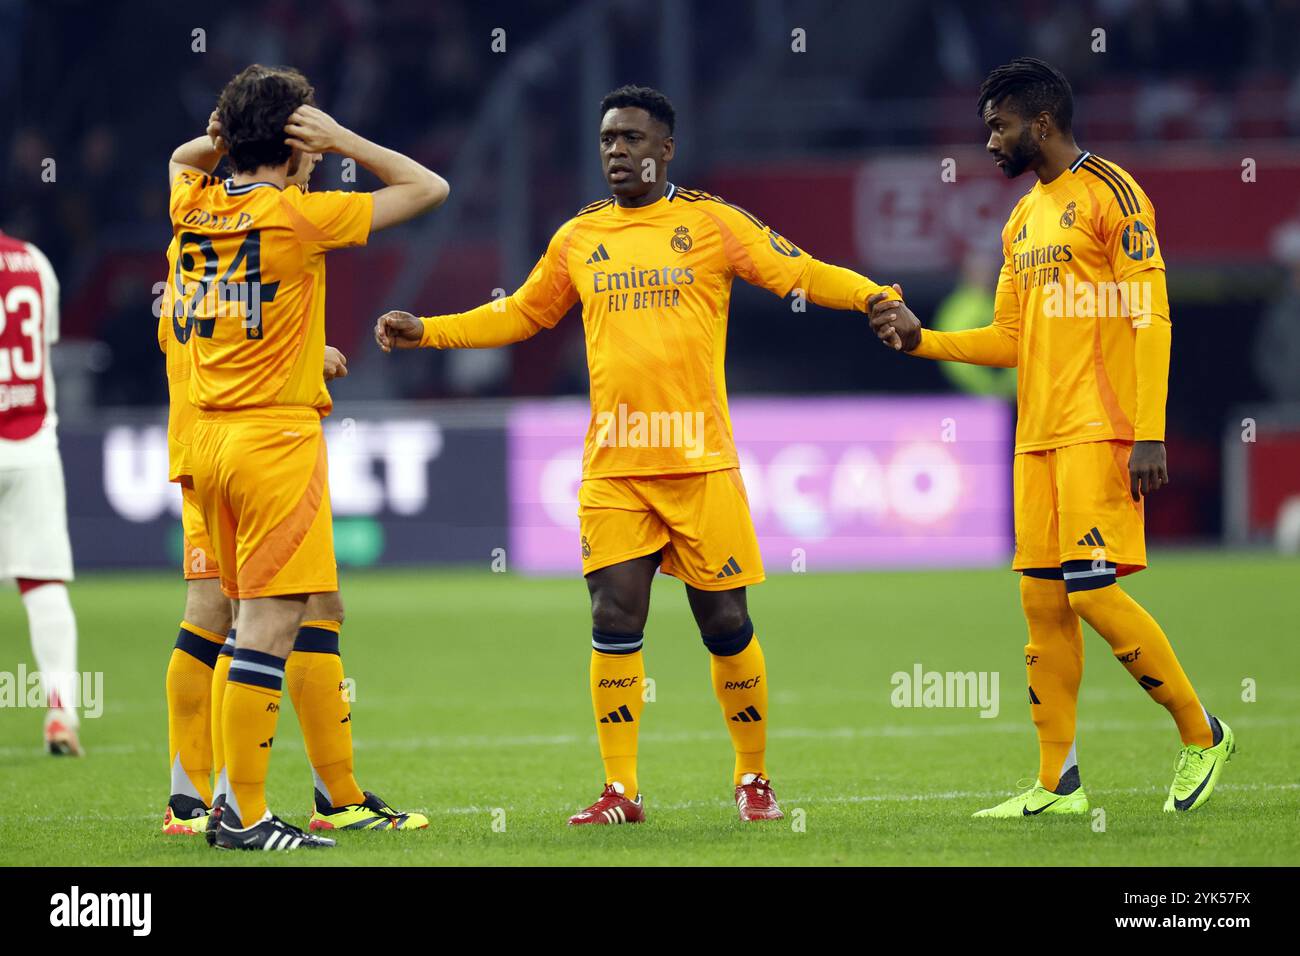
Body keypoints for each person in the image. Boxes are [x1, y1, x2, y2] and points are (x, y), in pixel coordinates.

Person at [374, 85, 899, 825]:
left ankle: (754, 779)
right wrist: (429, 330)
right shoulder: (579, 237)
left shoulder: (711, 224)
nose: (614, 151)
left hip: (699, 463)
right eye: (606, 139)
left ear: (665, 149)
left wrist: (874, 294)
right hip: (616, 468)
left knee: (724, 622)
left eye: (629, 138)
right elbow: (523, 311)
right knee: (613, 614)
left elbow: (802, 271)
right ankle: (622, 791)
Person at [869, 58, 1235, 816]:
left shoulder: (1115, 195)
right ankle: (1057, 782)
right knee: (1043, 605)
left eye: (999, 126)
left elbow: (1151, 317)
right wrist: (923, 341)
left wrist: (1150, 432)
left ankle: (1203, 734)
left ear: (1040, 123)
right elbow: (1009, 337)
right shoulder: (1019, 218)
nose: (990, 142)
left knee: (1093, 593)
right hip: (1036, 437)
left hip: (1101, 430)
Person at [168, 64, 447, 849]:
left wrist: (230, 133)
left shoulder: (193, 207)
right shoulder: (300, 217)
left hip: (213, 439)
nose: (320, 154)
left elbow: (183, 162)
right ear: (295, 141)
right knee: (264, 625)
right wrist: (346, 139)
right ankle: (240, 813)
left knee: (303, 610)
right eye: (310, 137)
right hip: (272, 443)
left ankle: (325, 795)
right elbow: (429, 188)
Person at [0, 228, 82, 756]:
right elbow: (42, 343)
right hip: (30, 442)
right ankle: (62, 714)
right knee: (43, 581)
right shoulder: (33, 259)